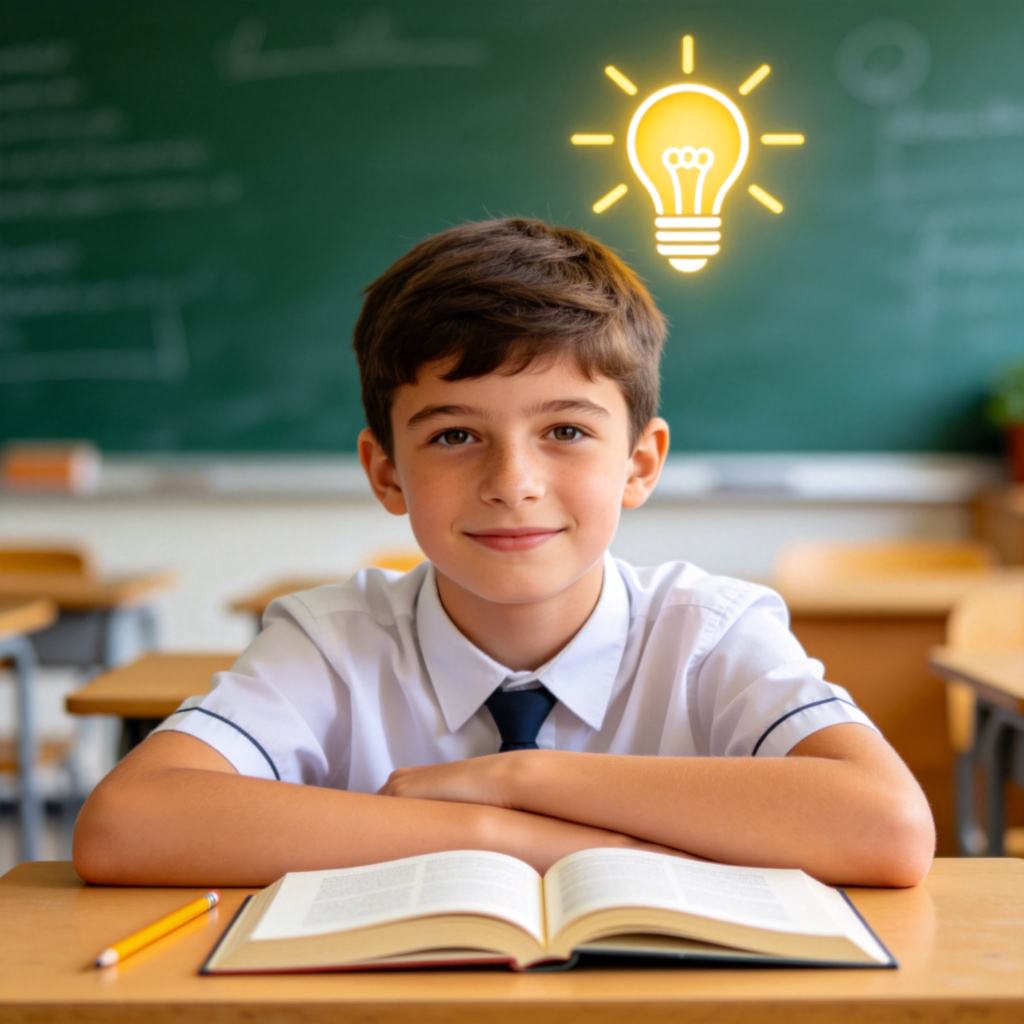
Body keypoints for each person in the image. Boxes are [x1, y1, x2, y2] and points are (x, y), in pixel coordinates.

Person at [73, 218, 935, 888]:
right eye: (454, 434)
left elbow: (888, 828)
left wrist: (516, 778)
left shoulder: (709, 633)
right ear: (386, 472)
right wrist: (496, 830)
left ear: (640, 464)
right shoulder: (333, 639)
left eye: (565, 430)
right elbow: (129, 822)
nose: (513, 481)